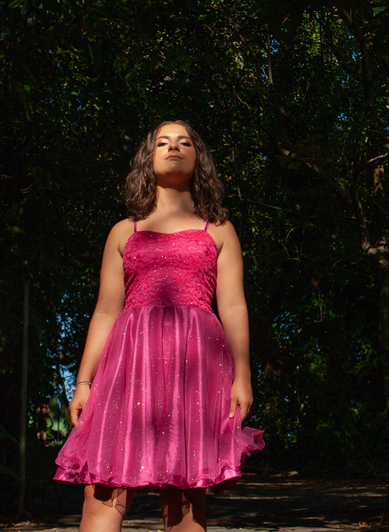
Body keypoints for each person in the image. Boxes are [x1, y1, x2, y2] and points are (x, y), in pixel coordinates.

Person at [54, 120, 264, 532]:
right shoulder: (123, 231)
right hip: (127, 370)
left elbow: (234, 305)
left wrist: (243, 375)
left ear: (198, 159)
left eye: (184, 142)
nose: (173, 147)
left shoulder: (218, 230)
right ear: (147, 160)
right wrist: (83, 382)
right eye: (163, 142)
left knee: (185, 498)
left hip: (195, 370)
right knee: (101, 490)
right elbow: (105, 312)